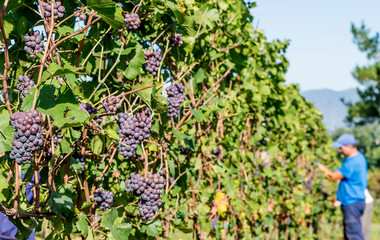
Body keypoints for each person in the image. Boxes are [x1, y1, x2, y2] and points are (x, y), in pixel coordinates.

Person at [318, 133, 367, 240]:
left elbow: (333, 177)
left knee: (354, 236)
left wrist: (322, 168)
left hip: (352, 202)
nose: (340, 150)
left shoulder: (353, 162)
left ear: (349, 146)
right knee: (349, 234)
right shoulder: (358, 157)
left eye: (341, 147)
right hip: (354, 201)